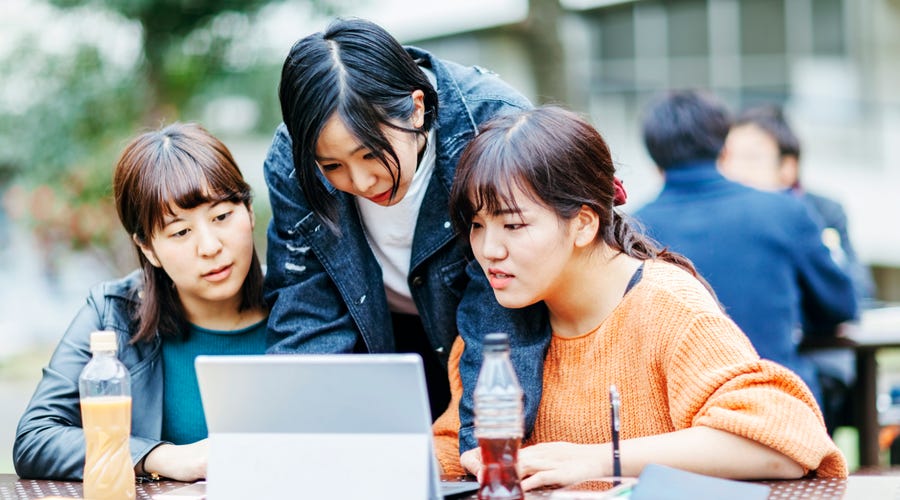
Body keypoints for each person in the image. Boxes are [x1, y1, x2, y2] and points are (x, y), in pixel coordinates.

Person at [433, 106, 847, 491]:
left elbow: (785, 442)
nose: (489, 250)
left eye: (513, 225)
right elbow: (457, 448)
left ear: (582, 223)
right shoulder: (495, 320)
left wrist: (600, 460)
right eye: (477, 225)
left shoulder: (666, 305)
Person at [264, 16, 549, 447]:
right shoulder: (292, 161)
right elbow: (307, 312)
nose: (361, 183)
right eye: (332, 166)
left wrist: (484, 453)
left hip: (488, 337)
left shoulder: (494, 127)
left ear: (416, 108)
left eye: (370, 154)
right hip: (376, 345)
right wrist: (295, 441)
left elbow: (500, 316)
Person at [14, 123, 268, 481]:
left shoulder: (305, 304)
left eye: (222, 216)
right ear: (148, 248)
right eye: (181, 232)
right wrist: (159, 456)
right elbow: (35, 438)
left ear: (250, 212)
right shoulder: (113, 312)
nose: (210, 246)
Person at [633, 90, 857, 407]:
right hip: (779, 404)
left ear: (653, 159)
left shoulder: (632, 229)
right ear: (725, 151)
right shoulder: (784, 211)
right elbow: (839, 306)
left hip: (678, 414)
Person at [718, 103, 874, 434]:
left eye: (753, 157)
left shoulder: (820, 211)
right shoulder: (722, 216)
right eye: (731, 157)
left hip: (816, 357)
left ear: (788, 168)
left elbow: (852, 292)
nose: (737, 170)